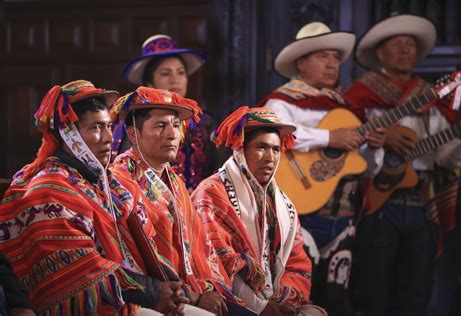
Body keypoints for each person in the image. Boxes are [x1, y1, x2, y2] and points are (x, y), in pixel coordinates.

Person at [0, 80, 189, 315]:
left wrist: (170, 289)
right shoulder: (49, 187)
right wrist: (150, 291)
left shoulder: (104, 184)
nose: (109, 138)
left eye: (109, 126)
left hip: (123, 294)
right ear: (70, 135)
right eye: (96, 128)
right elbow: (80, 270)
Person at [344, 14, 461, 315]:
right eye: (397, 44)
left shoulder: (434, 97)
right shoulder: (358, 97)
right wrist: (380, 137)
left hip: (422, 206)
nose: (405, 50)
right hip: (376, 205)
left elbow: (444, 156)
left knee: (416, 295)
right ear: (380, 53)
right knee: (373, 292)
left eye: (411, 44)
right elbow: (344, 151)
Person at [257, 22, 385, 315]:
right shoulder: (281, 101)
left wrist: (373, 146)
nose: (332, 64)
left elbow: (365, 169)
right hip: (299, 217)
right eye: (323, 56)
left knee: (337, 298)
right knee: (297, 297)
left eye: (336, 58)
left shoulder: (347, 108)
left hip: (342, 217)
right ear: (301, 63)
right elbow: (278, 133)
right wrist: (329, 137)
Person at [109, 87, 252, 316]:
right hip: (158, 298)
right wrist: (193, 296)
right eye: (160, 126)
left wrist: (207, 291)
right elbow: (139, 260)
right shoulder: (121, 181)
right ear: (134, 133)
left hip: (192, 290)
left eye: (176, 125)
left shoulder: (174, 181)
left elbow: (201, 248)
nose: (172, 134)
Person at [191, 106, 327, 316]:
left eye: (275, 149)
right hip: (228, 301)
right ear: (240, 150)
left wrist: (284, 300)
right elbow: (216, 261)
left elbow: (296, 264)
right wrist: (260, 307)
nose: (270, 157)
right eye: (261, 147)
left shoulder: (284, 205)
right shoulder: (211, 194)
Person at [116, 34, 215, 190]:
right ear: (149, 82)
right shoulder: (134, 122)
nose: (175, 80)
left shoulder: (205, 122)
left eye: (181, 73)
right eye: (165, 73)